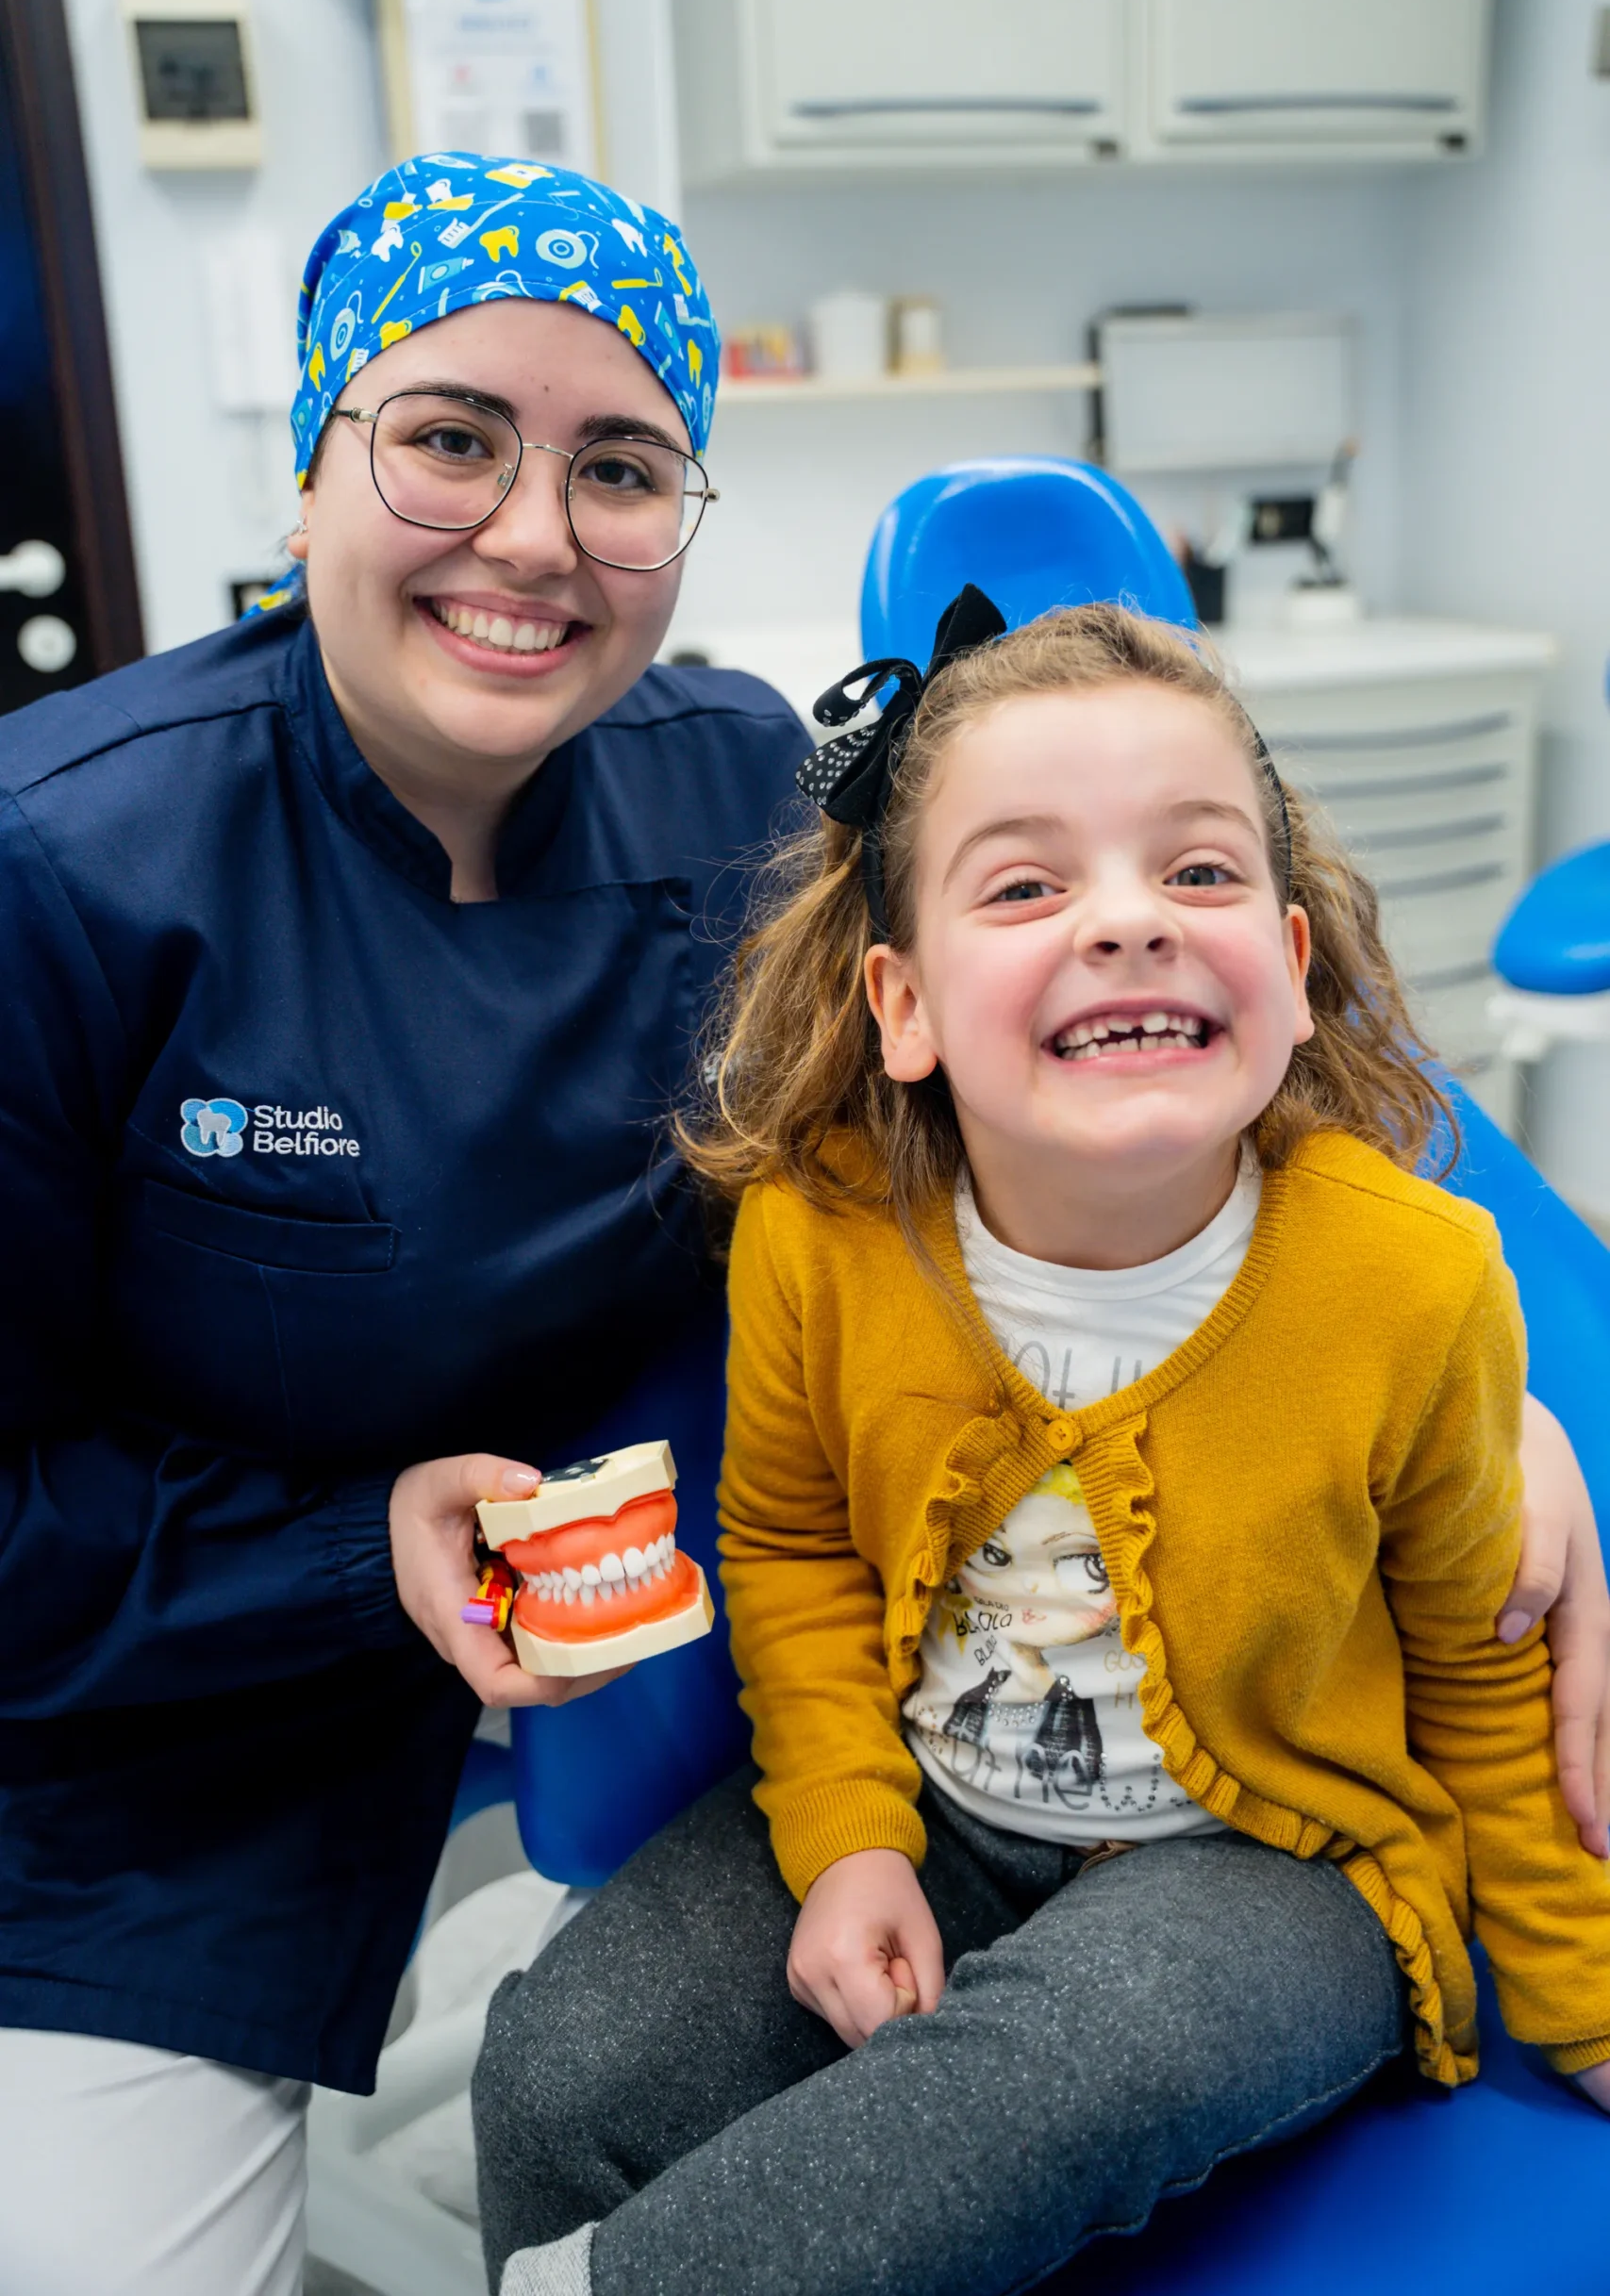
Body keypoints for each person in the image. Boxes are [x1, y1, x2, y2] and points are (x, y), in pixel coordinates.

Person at [476, 596, 1610, 2296]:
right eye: (1025, 884)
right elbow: (789, 1556)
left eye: (1201, 873)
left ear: (1293, 977)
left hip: (1286, 1859)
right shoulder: (820, 1237)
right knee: (559, 2079)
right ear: (904, 1002)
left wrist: (1582, 1997)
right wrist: (851, 1838)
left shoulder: (1417, 1280)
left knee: (1068, 2063)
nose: (1129, 923)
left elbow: (1478, 1663)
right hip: (938, 1802)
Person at [0, 157, 808, 2294]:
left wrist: (1456, 1393)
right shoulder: (61, 861)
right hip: (139, 1736)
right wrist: (358, 1557)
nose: (532, 536)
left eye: (620, 466)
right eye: (451, 436)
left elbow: (1119, 1021)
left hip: (665, 1633)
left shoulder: (746, 786)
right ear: (311, 464)